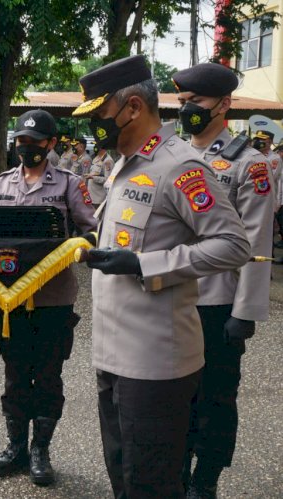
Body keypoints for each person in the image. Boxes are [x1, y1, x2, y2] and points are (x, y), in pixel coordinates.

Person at [71, 54, 251, 498]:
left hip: (155, 363)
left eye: (100, 114)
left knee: (150, 483)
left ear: (132, 108)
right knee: (123, 474)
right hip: (112, 353)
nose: (94, 125)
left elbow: (233, 245)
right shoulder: (124, 163)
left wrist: (145, 265)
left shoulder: (180, 167)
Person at [172, 63, 274, 498]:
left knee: (215, 398)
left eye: (196, 102)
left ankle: (206, 478)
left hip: (217, 304)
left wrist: (246, 311)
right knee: (173, 395)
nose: (187, 109)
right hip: (172, 297)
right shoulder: (171, 155)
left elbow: (256, 240)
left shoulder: (248, 165)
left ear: (224, 104)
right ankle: (175, 471)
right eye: (182, 102)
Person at [0, 109, 97, 485]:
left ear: (51, 144)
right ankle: (15, 446)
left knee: (48, 376)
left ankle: (40, 450)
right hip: (11, 299)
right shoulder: (0, 185)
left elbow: (90, 230)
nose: (26, 147)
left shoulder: (68, 184)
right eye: (21, 141)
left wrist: (80, 249)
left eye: (34, 142)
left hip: (53, 299)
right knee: (15, 374)